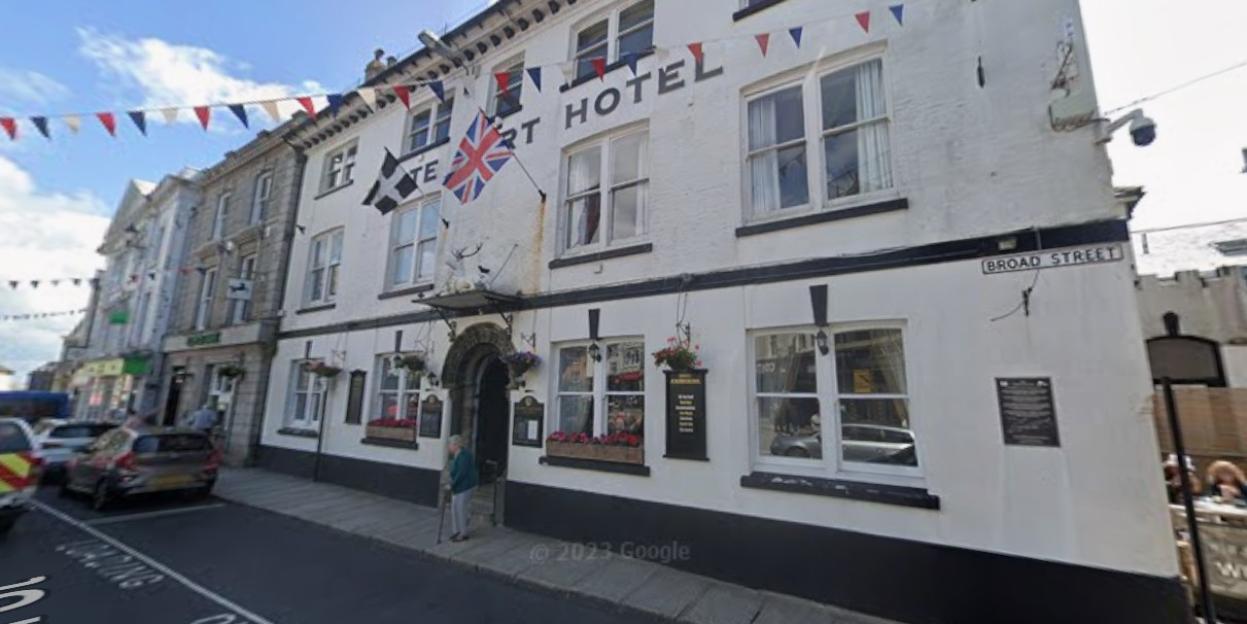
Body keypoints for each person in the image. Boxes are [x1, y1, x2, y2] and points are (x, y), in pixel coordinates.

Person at [447, 435, 479, 542]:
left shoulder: (464, 456)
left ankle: (463, 533)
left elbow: (462, 473)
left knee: (461, 509)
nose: (449, 447)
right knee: (455, 508)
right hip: (459, 487)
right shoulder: (457, 455)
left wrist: (452, 484)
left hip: (465, 486)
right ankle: (457, 531)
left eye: (450, 444)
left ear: (456, 445)